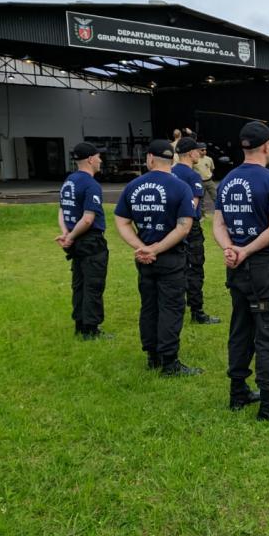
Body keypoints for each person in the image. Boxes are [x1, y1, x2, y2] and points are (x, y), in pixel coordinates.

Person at [212, 121, 269, 420]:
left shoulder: (227, 181)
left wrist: (230, 248)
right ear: (267, 147)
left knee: (241, 326)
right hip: (263, 271)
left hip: (237, 270)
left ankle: (238, 391)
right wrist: (246, 250)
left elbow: (218, 224)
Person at [114, 139, 202, 376]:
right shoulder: (181, 187)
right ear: (171, 160)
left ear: (150, 159)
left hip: (144, 259)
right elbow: (184, 227)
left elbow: (121, 222)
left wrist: (142, 247)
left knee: (149, 306)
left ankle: (152, 355)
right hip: (170, 257)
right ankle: (169, 361)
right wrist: (157, 248)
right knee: (171, 308)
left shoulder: (133, 186)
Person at [56, 142, 109, 340]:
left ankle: (79, 323)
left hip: (75, 239)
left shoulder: (69, 180)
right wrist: (70, 236)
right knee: (93, 284)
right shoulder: (91, 184)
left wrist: (66, 234)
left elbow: (62, 210)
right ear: (90, 159)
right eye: (98, 156)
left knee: (79, 283)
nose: (101, 160)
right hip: (90, 241)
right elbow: (88, 218)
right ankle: (91, 329)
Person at [173, 137, 220, 325]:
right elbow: (193, 206)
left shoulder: (170, 172)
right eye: (197, 151)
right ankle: (197, 311)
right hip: (189, 228)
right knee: (194, 268)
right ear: (191, 153)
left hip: (172, 227)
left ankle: (176, 307)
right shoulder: (192, 176)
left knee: (176, 268)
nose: (200, 154)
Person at [193, 146, 217, 213]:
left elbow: (212, 169)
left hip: (209, 181)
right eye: (202, 150)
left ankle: (219, 211)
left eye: (205, 150)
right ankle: (203, 215)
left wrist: (209, 175)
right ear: (198, 150)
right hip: (200, 182)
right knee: (201, 199)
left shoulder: (209, 159)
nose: (204, 151)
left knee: (216, 196)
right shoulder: (195, 160)